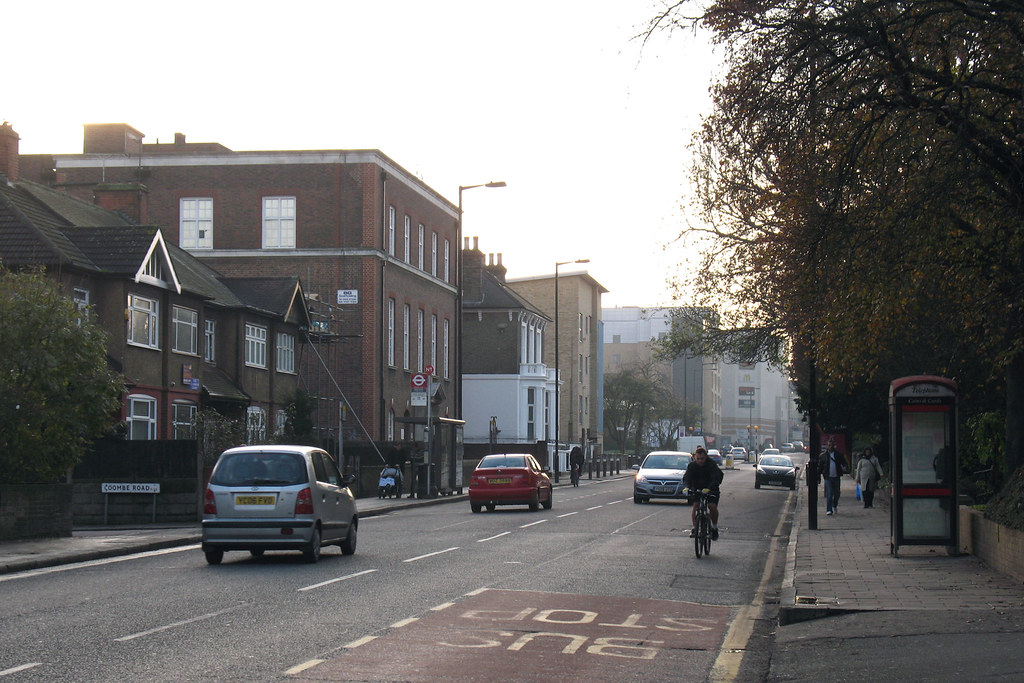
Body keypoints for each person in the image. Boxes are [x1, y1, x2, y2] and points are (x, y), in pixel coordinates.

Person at [682, 446, 724, 540]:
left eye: (702, 459)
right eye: (698, 459)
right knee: (696, 505)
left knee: (712, 506)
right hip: (697, 487)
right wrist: (686, 487)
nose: (700, 461)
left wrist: (709, 488)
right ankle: (694, 527)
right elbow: (687, 477)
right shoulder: (692, 466)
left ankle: (714, 527)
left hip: (711, 488)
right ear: (695, 458)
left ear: (706, 457)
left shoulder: (711, 464)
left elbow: (715, 478)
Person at [819, 438, 847, 515]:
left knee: (837, 493)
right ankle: (829, 509)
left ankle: (834, 505)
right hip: (828, 477)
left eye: (831, 445)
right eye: (829, 445)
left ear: (834, 446)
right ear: (827, 446)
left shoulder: (839, 454)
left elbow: (844, 463)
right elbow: (820, 467)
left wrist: (845, 467)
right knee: (830, 493)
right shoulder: (823, 456)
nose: (830, 447)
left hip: (836, 476)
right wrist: (818, 477)